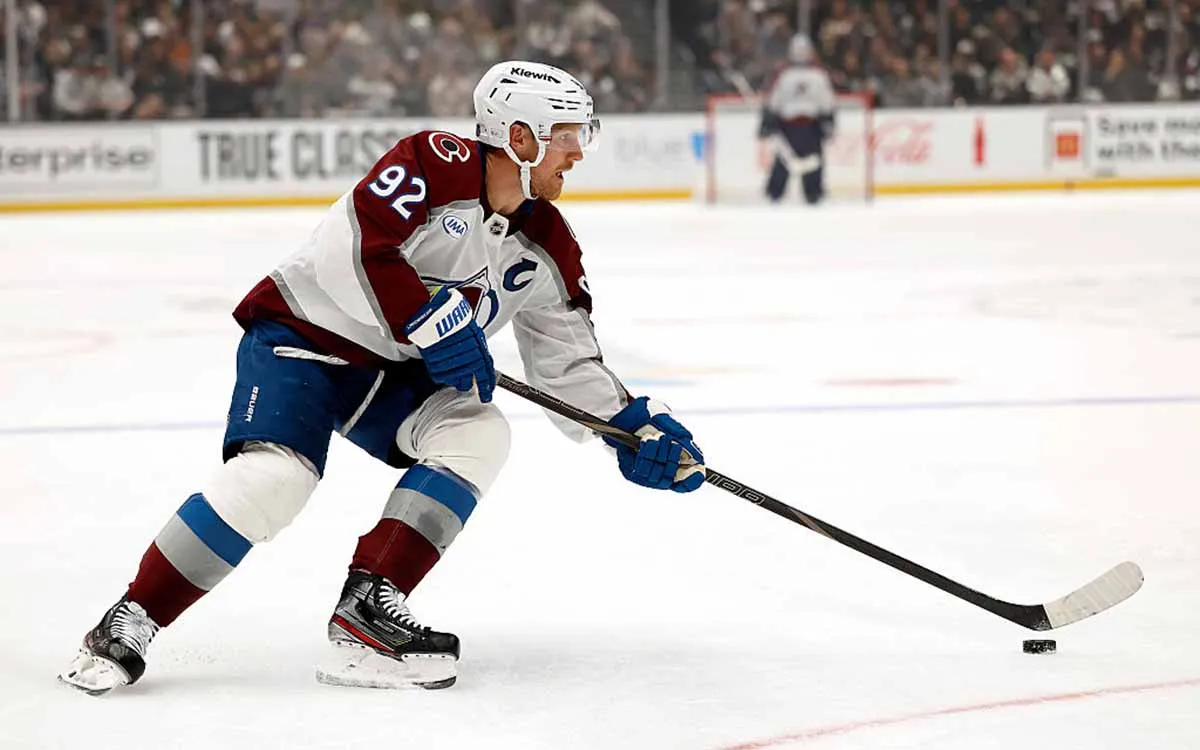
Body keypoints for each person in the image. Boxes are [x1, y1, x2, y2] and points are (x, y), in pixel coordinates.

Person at [58, 60, 706, 695]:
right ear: (520, 136)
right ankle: (133, 615)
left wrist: (630, 424)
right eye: (568, 135)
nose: (579, 153)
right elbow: (357, 245)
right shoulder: (436, 161)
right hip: (303, 340)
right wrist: (430, 321)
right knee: (276, 479)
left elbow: (566, 357)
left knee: (479, 431)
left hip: (385, 379)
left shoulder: (547, 244)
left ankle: (368, 609)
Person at [760, 34, 836, 205]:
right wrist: (829, 122)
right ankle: (813, 192)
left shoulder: (784, 75)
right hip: (810, 125)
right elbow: (827, 103)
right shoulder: (819, 75)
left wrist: (767, 122)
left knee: (784, 159)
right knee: (813, 159)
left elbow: (774, 102)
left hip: (789, 126)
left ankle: (775, 191)